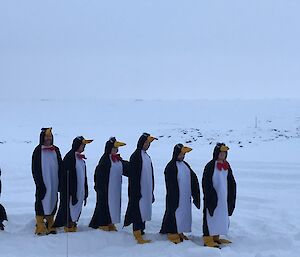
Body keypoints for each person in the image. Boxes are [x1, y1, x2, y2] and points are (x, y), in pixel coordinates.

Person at [160, 143, 200, 244]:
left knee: (183, 214)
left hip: (185, 197)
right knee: (174, 213)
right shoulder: (171, 166)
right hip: (176, 197)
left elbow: (194, 179)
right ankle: (172, 232)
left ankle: (180, 231)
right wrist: (174, 197)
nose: (182, 156)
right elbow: (170, 184)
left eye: (183, 154)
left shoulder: (185, 165)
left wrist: (196, 195)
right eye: (181, 154)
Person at [89, 137, 129, 231]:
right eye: (114, 148)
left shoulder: (117, 160)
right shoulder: (105, 161)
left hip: (115, 188)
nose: (116, 150)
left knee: (114, 205)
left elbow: (125, 168)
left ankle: (111, 222)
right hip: (105, 189)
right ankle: (102, 223)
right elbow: (98, 174)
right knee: (104, 206)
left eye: (116, 148)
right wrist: (100, 188)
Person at [54, 136, 93, 232]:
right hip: (70, 191)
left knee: (77, 208)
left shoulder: (81, 159)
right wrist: (70, 191)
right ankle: (68, 225)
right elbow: (66, 177)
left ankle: (73, 223)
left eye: (84, 145)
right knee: (69, 208)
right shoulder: (70, 158)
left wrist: (85, 190)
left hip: (79, 190)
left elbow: (84, 177)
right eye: (82, 145)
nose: (83, 147)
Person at [124, 133, 157, 244]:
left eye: (149, 143)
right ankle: (137, 232)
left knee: (144, 210)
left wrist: (151, 191)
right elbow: (134, 176)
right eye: (146, 142)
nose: (148, 145)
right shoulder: (136, 156)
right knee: (138, 211)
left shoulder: (146, 156)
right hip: (138, 191)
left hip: (146, 190)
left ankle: (141, 230)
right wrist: (135, 192)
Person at [202, 143, 236, 248]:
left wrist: (231, 194)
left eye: (224, 153)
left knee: (221, 216)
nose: (222, 155)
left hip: (223, 198)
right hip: (213, 197)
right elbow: (206, 182)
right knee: (211, 215)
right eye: (221, 153)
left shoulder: (227, 165)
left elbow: (231, 181)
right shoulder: (210, 165)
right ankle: (208, 237)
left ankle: (216, 236)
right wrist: (210, 195)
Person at [31, 127, 63, 235]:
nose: (48, 138)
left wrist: (61, 181)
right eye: (46, 136)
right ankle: (40, 223)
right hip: (43, 181)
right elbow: (34, 168)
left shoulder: (56, 150)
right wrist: (38, 182)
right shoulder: (37, 151)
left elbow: (60, 165)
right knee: (41, 199)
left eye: (50, 136)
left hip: (54, 181)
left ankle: (50, 221)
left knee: (53, 199)